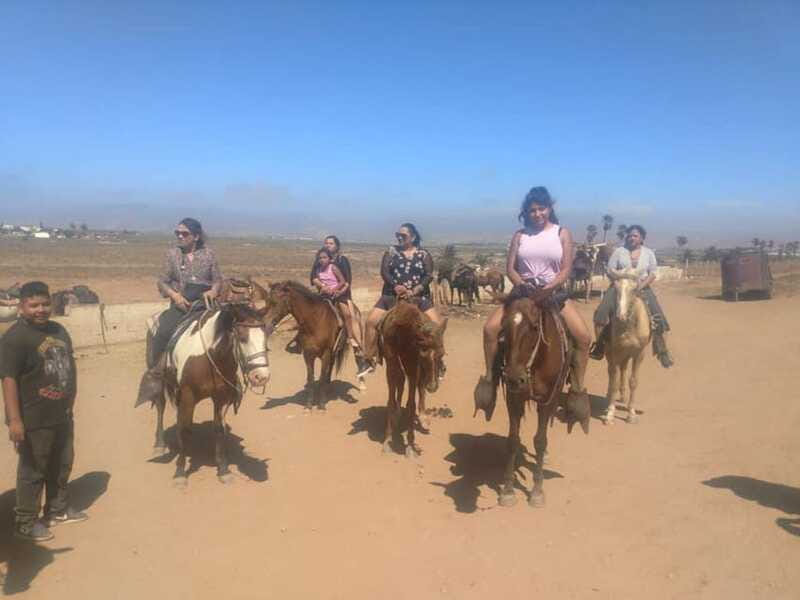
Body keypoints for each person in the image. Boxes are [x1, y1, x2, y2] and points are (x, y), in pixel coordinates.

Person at [474, 186, 592, 419]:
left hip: (552, 293)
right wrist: (522, 284)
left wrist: (549, 287)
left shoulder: (562, 233)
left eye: (541, 209)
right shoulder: (520, 235)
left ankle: (576, 390)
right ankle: (489, 378)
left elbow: (566, 268)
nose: (537, 214)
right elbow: (510, 268)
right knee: (490, 328)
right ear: (526, 213)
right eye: (532, 210)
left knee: (583, 337)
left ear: (549, 209)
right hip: (523, 292)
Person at [1, 281, 88, 542]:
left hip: (61, 413)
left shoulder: (59, 330)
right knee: (33, 469)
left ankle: (57, 510)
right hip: (33, 418)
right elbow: (8, 379)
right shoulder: (15, 338)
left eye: (45, 304)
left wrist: (70, 402)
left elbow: (68, 366)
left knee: (62, 463)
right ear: (21, 306)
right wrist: (15, 420)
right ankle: (26, 521)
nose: (41, 310)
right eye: (34, 305)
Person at [137, 218, 223, 404]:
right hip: (181, 306)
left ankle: (231, 378)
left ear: (196, 236)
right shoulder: (172, 255)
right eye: (177, 233)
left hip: (204, 305)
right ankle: (156, 376)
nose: (180, 236)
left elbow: (217, 280)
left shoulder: (209, 254)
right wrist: (175, 297)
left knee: (227, 332)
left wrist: (213, 290)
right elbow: (162, 281)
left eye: (184, 233)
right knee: (160, 333)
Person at [360, 223, 445, 377]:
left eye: (403, 235)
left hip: (418, 298)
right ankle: (369, 359)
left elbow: (428, 275)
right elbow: (384, 272)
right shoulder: (390, 252)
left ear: (413, 237)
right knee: (370, 322)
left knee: (437, 325)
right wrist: (396, 286)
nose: (399, 237)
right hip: (391, 296)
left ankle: (438, 360)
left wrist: (415, 290)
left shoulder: (424, 254)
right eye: (397, 235)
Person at [590, 224, 674, 367]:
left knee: (658, 317)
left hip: (642, 287)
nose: (631, 238)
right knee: (601, 314)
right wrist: (619, 283)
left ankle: (662, 351)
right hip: (620, 287)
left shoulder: (648, 253)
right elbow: (610, 270)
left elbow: (653, 272)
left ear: (641, 239)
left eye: (635, 236)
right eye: (629, 235)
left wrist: (641, 286)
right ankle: (600, 346)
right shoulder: (619, 252)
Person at [306, 236, 370, 375]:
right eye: (326, 243)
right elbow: (313, 278)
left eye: (331, 243)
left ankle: (358, 349)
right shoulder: (320, 259)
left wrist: (337, 292)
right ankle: (299, 341)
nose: (328, 245)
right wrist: (322, 286)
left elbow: (347, 281)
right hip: (323, 294)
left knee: (349, 315)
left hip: (341, 295)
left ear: (337, 246)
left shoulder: (342, 260)